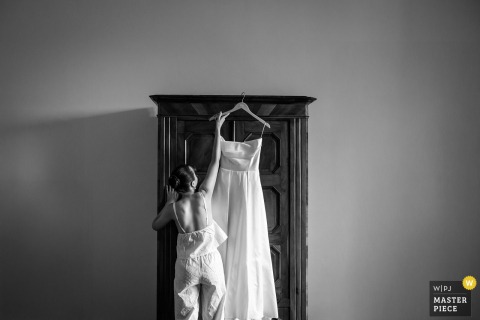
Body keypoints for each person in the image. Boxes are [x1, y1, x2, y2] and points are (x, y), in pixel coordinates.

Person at [152, 112, 229, 320]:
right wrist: (217, 129)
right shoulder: (204, 196)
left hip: (186, 266)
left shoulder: (173, 208)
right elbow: (215, 161)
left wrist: (169, 201)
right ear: (194, 183)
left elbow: (155, 225)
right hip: (211, 262)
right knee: (215, 311)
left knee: (186, 313)